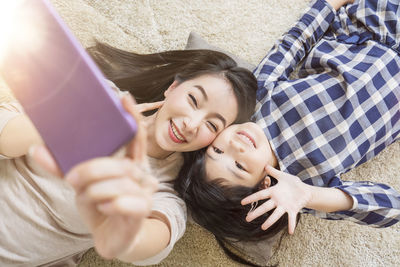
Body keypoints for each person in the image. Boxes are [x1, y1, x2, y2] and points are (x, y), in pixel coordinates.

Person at [0, 45, 257, 265]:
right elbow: (6, 133)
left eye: (212, 125)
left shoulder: (165, 191)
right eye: (193, 100)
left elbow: (149, 240)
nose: (192, 124)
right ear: (172, 87)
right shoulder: (100, 97)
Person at [174, 0, 400, 248]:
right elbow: (392, 206)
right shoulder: (305, 185)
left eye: (216, 151)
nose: (234, 147)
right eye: (238, 166)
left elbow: (291, 46)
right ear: (264, 186)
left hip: (372, 27)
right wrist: (309, 197)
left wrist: (329, 4)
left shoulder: (256, 101)